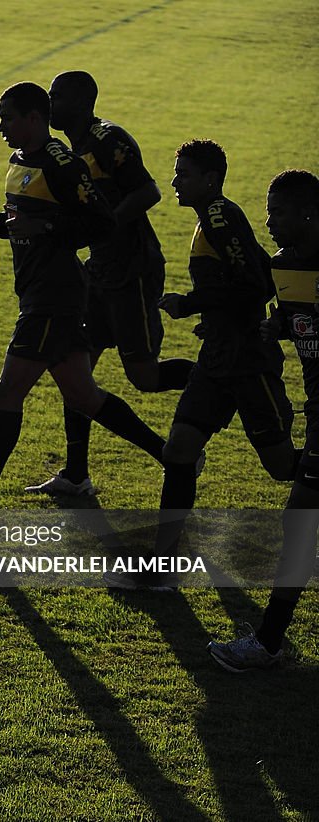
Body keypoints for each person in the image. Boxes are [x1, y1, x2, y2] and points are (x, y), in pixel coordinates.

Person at [0, 82, 166, 517]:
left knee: (8, 391)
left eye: (8, 118)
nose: (0, 127)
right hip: (37, 292)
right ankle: (171, 455)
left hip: (54, 297)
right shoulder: (19, 161)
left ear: (35, 119)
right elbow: (29, 222)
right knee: (84, 395)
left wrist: (47, 231)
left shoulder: (61, 163)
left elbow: (102, 224)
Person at [109, 141, 297, 589]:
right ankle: (162, 567)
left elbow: (255, 285)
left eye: (185, 173)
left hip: (247, 362)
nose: (175, 180)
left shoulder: (219, 218)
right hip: (216, 361)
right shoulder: (209, 219)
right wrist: (212, 318)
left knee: (283, 467)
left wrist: (192, 303)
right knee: (178, 451)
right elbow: (245, 282)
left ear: (210, 179)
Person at [26, 71, 194, 496]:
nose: (50, 103)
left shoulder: (108, 139)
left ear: (82, 102)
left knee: (144, 376)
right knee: (77, 370)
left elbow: (149, 192)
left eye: (57, 96)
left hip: (132, 270)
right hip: (99, 272)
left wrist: (104, 226)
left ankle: (225, 377)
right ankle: (76, 474)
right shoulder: (72, 148)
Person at [209, 170, 319, 670]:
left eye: (277, 213)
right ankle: (269, 641)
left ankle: (269, 642)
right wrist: (271, 328)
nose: (268, 221)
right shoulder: (284, 267)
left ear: (307, 216)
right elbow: (291, 319)